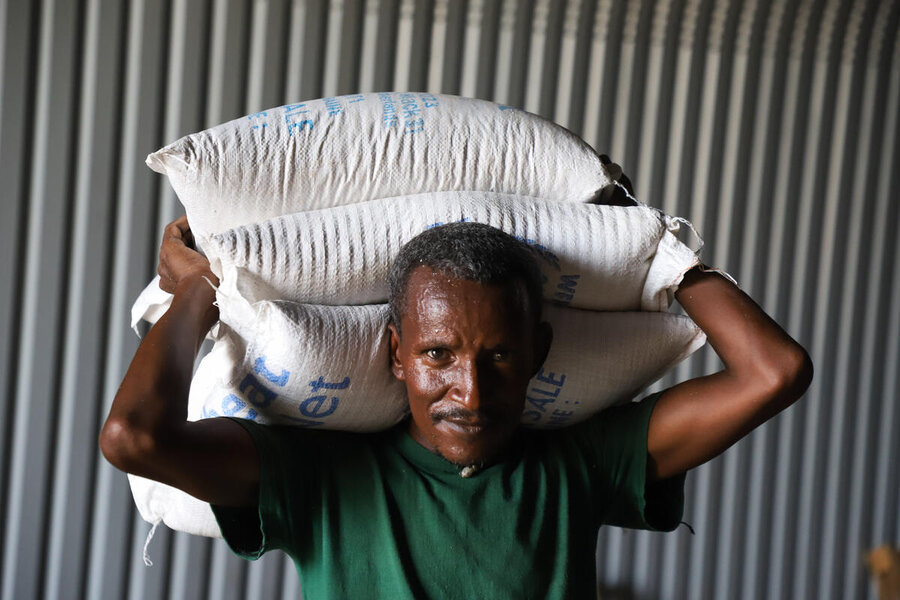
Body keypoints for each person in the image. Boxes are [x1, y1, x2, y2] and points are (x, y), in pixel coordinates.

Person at [100, 215, 812, 598]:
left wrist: (668, 261)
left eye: (499, 356)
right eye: (439, 355)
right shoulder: (320, 478)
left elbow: (775, 372)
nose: (470, 394)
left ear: (538, 351)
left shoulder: (580, 464)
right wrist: (199, 288)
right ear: (396, 353)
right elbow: (132, 437)